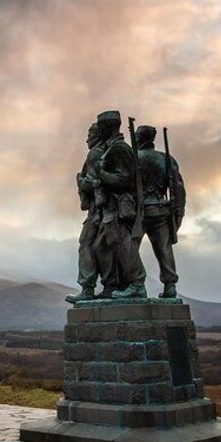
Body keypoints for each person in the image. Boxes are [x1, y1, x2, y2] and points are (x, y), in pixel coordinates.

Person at [93, 110, 147, 299]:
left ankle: (137, 283)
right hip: (109, 207)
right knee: (101, 246)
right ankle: (110, 285)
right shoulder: (111, 148)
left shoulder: (119, 149)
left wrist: (102, 174)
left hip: (119, 207)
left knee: (124, 244)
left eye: (100, 127)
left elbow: (125, 179)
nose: (98, 131)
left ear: (107, 127)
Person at [66, 123, 116, 303]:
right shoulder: (108, 151)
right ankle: (109, 286)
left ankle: (88, 288)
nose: (87, 139)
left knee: (86, 245)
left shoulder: (95, 154)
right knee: (103, 248)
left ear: (98, 135)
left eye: (90, 135)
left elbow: (96, 181)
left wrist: (81, 182)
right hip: (105, 210)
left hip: (99, 210)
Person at [134, 125, 186, 298]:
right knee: (164, 249)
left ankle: (136, 283)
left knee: (131, 248)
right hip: (161, 209)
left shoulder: (134, 158)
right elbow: (178, 187)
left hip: (139, 211)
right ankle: (170, 285)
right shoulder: (166, 159)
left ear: (140, 138)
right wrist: (179, 212)